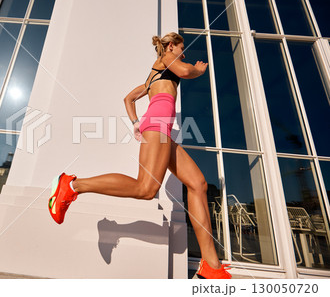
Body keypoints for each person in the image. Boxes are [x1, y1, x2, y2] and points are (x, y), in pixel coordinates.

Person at [48, 32, 231, 279]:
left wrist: (136, 122)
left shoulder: (152, 77)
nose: (183, 53)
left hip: (160, 128)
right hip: (157, 126)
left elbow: (128, 98)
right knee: (146, 189)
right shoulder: (166, 59)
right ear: (170, 46)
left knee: (197, 184)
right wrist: (197, 70)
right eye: (181, 48)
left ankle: (211, 266)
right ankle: (72, 185)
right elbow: (186, 72)